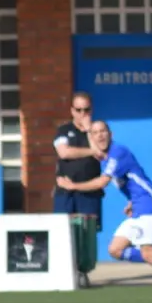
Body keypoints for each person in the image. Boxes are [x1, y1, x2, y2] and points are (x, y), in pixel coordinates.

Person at [56, 121, 152, 303]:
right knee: (115, 250)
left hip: (149, 206)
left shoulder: (117, 152)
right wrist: (131, 201)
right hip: (138, 206)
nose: (100, 135)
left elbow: (102, 182)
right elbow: (134, 179)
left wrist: (73, 186)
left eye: (103, 131)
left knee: (148, 252)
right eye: (95, 133)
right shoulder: (106, 158)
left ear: (110, 134)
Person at [53, 92, 103, 229]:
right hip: (65, 192)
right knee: (63, 232)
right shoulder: (63, 130)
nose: (82, 114)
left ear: (91, 110)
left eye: (86, 110)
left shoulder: (98, 131)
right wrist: (92, 151)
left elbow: (100, 154)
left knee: (87, 234)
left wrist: (89, 131)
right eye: (78, 110)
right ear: (72, 111)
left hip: (90, 193)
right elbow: (64, 152)